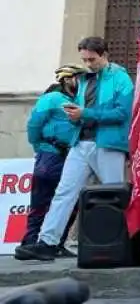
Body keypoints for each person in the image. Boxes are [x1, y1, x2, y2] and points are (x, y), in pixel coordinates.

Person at [16, 37, 133, 261]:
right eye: (84, 59)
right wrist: (74, 117)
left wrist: (85, 114)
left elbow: (122, 113)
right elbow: (81, 111)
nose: (89, 63)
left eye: (92, 59)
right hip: (80, 143)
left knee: (115, 195)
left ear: (104, 55)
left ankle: (123, 243)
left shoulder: (121, 79)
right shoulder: (84, 80)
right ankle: (47, 242)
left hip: (108, 145)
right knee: (64, 192)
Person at [14, 65, 88, 260]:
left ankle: (57, 243)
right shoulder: (52, 98)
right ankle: (30, 243)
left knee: (70, 202)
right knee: (41, 200)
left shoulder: (79, 102)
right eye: (77, 78)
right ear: (67, 79)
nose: (81, 81)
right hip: (51, 155)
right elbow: (34, 124)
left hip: (72, 156)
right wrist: (40, 147)